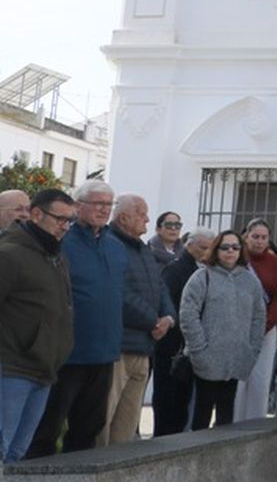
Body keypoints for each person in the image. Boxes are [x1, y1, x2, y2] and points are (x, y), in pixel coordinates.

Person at [26, 179, 124, 459]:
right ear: (78, 205)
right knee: (47, 428)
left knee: (88, 430)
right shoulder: (60, 242)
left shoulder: (115, 247)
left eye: (109, 204)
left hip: (104, 353)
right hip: (67, 354)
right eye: (98, 203)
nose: (105, 209)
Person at [0, 188, 75, 464]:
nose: (64, 227)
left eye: (70, 221)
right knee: (3, 449)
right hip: (12, 369)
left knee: (19, 453)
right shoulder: (9, 254)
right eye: (59, 219)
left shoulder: (56, 256)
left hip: (45, 369)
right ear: (35, 214)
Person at [103, 193, 176, 444]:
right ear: (123, 217)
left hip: (144, 347)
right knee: (104, 420)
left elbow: (160, 285)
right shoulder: (109, 244)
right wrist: (153, 321)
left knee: (127, 422)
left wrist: (168, 316)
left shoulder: (143, 248)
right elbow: (119, 291)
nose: (147, 219)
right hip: (120, 347)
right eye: (141, 214)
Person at [179, 229, 267, 429]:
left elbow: (258, 317)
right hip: (206, 360)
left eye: (235, 247)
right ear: (216, 249)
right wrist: (199, 349)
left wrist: (252, 350)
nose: (230, 251)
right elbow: (188, 315)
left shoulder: (250, 281)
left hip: (236, 359)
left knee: (226, 418)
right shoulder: (202, 277)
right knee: (201, 416)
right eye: (225, 247)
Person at [152, 227, 214, 436]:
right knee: (168, 404)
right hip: (173, 346)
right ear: (190, 245)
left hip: (192, 347)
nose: (206, 252)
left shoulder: (206, 270)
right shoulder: (176, 269)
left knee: (184, 403)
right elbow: (169, 304)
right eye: (202, 247)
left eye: (209, 248)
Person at [238, 218, 277, 421]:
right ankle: (234, 424)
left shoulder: (276, 263)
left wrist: (265, 324)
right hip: (239, 328)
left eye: (264, 237)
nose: (259, 241)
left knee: (260, 381)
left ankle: (255, 423)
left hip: (266, 330)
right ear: (246, 237)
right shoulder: (238, 258)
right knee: (239, 380)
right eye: (255, 237)